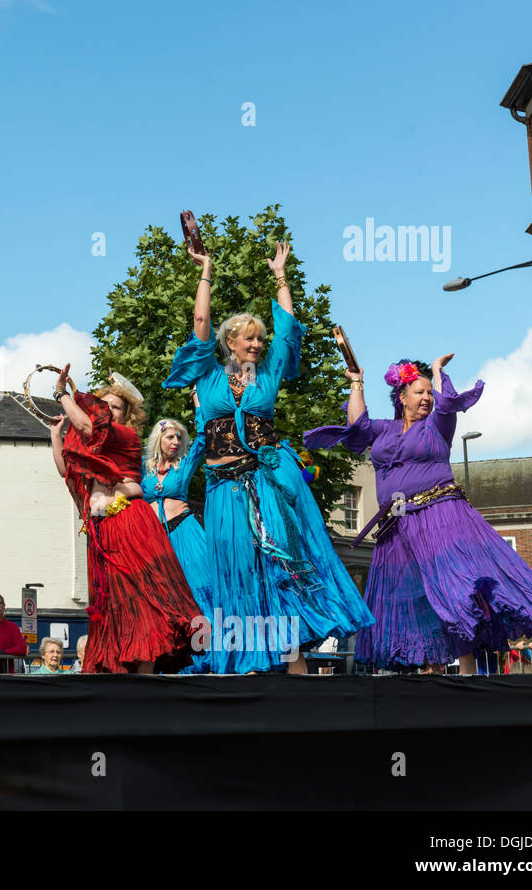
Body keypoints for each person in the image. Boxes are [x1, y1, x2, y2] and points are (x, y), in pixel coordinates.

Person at [164, 241, 373, 674]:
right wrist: (205, 269)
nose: (258, 344)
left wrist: (281, 276)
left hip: (266, 482)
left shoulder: (270, 372)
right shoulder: (206, 373)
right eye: (249, 339)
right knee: (237, 573)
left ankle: (295, 670)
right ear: (229, 343)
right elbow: (200, 320)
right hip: (223, 491)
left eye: (260, 339)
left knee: (280, 565)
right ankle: (247, 667)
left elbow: (290, 327)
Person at [305, 355, 532, 674]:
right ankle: (430, 669)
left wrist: (437, 372)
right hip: (396, 526)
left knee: (453, 587)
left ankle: (466, 669)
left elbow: (448, 403)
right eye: (419, 392)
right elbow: (358, 426)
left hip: (439, 516)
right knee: (411, 597)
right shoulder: (385, 429)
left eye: (429, 392)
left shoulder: (438, 425)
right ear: (401, 396)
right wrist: (356, 380)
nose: (426, 398)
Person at [48, 368, 202, 674]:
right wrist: (56, 438)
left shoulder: (126, 436)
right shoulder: (91, 446)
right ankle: (123, 676)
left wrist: (62, 394)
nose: (107, 411)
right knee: (114, 605)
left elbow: (87, 425)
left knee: (140, 598)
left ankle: (145, 675)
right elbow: (68, 470)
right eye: (102, 406)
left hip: (129, 522)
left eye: (114, 407)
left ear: (126, 414)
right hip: (101, 531)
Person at [140, 418, 214, 672]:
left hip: (184, 531)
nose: (176, 442)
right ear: (158, 439)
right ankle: (167, 658)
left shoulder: (183, 466)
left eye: (179, 438)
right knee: (161, 598)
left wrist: (199, 405)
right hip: (154, 538)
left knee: (198, 591)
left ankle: (205, 659)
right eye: (170, 437)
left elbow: (202, 439)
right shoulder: (144, 468)